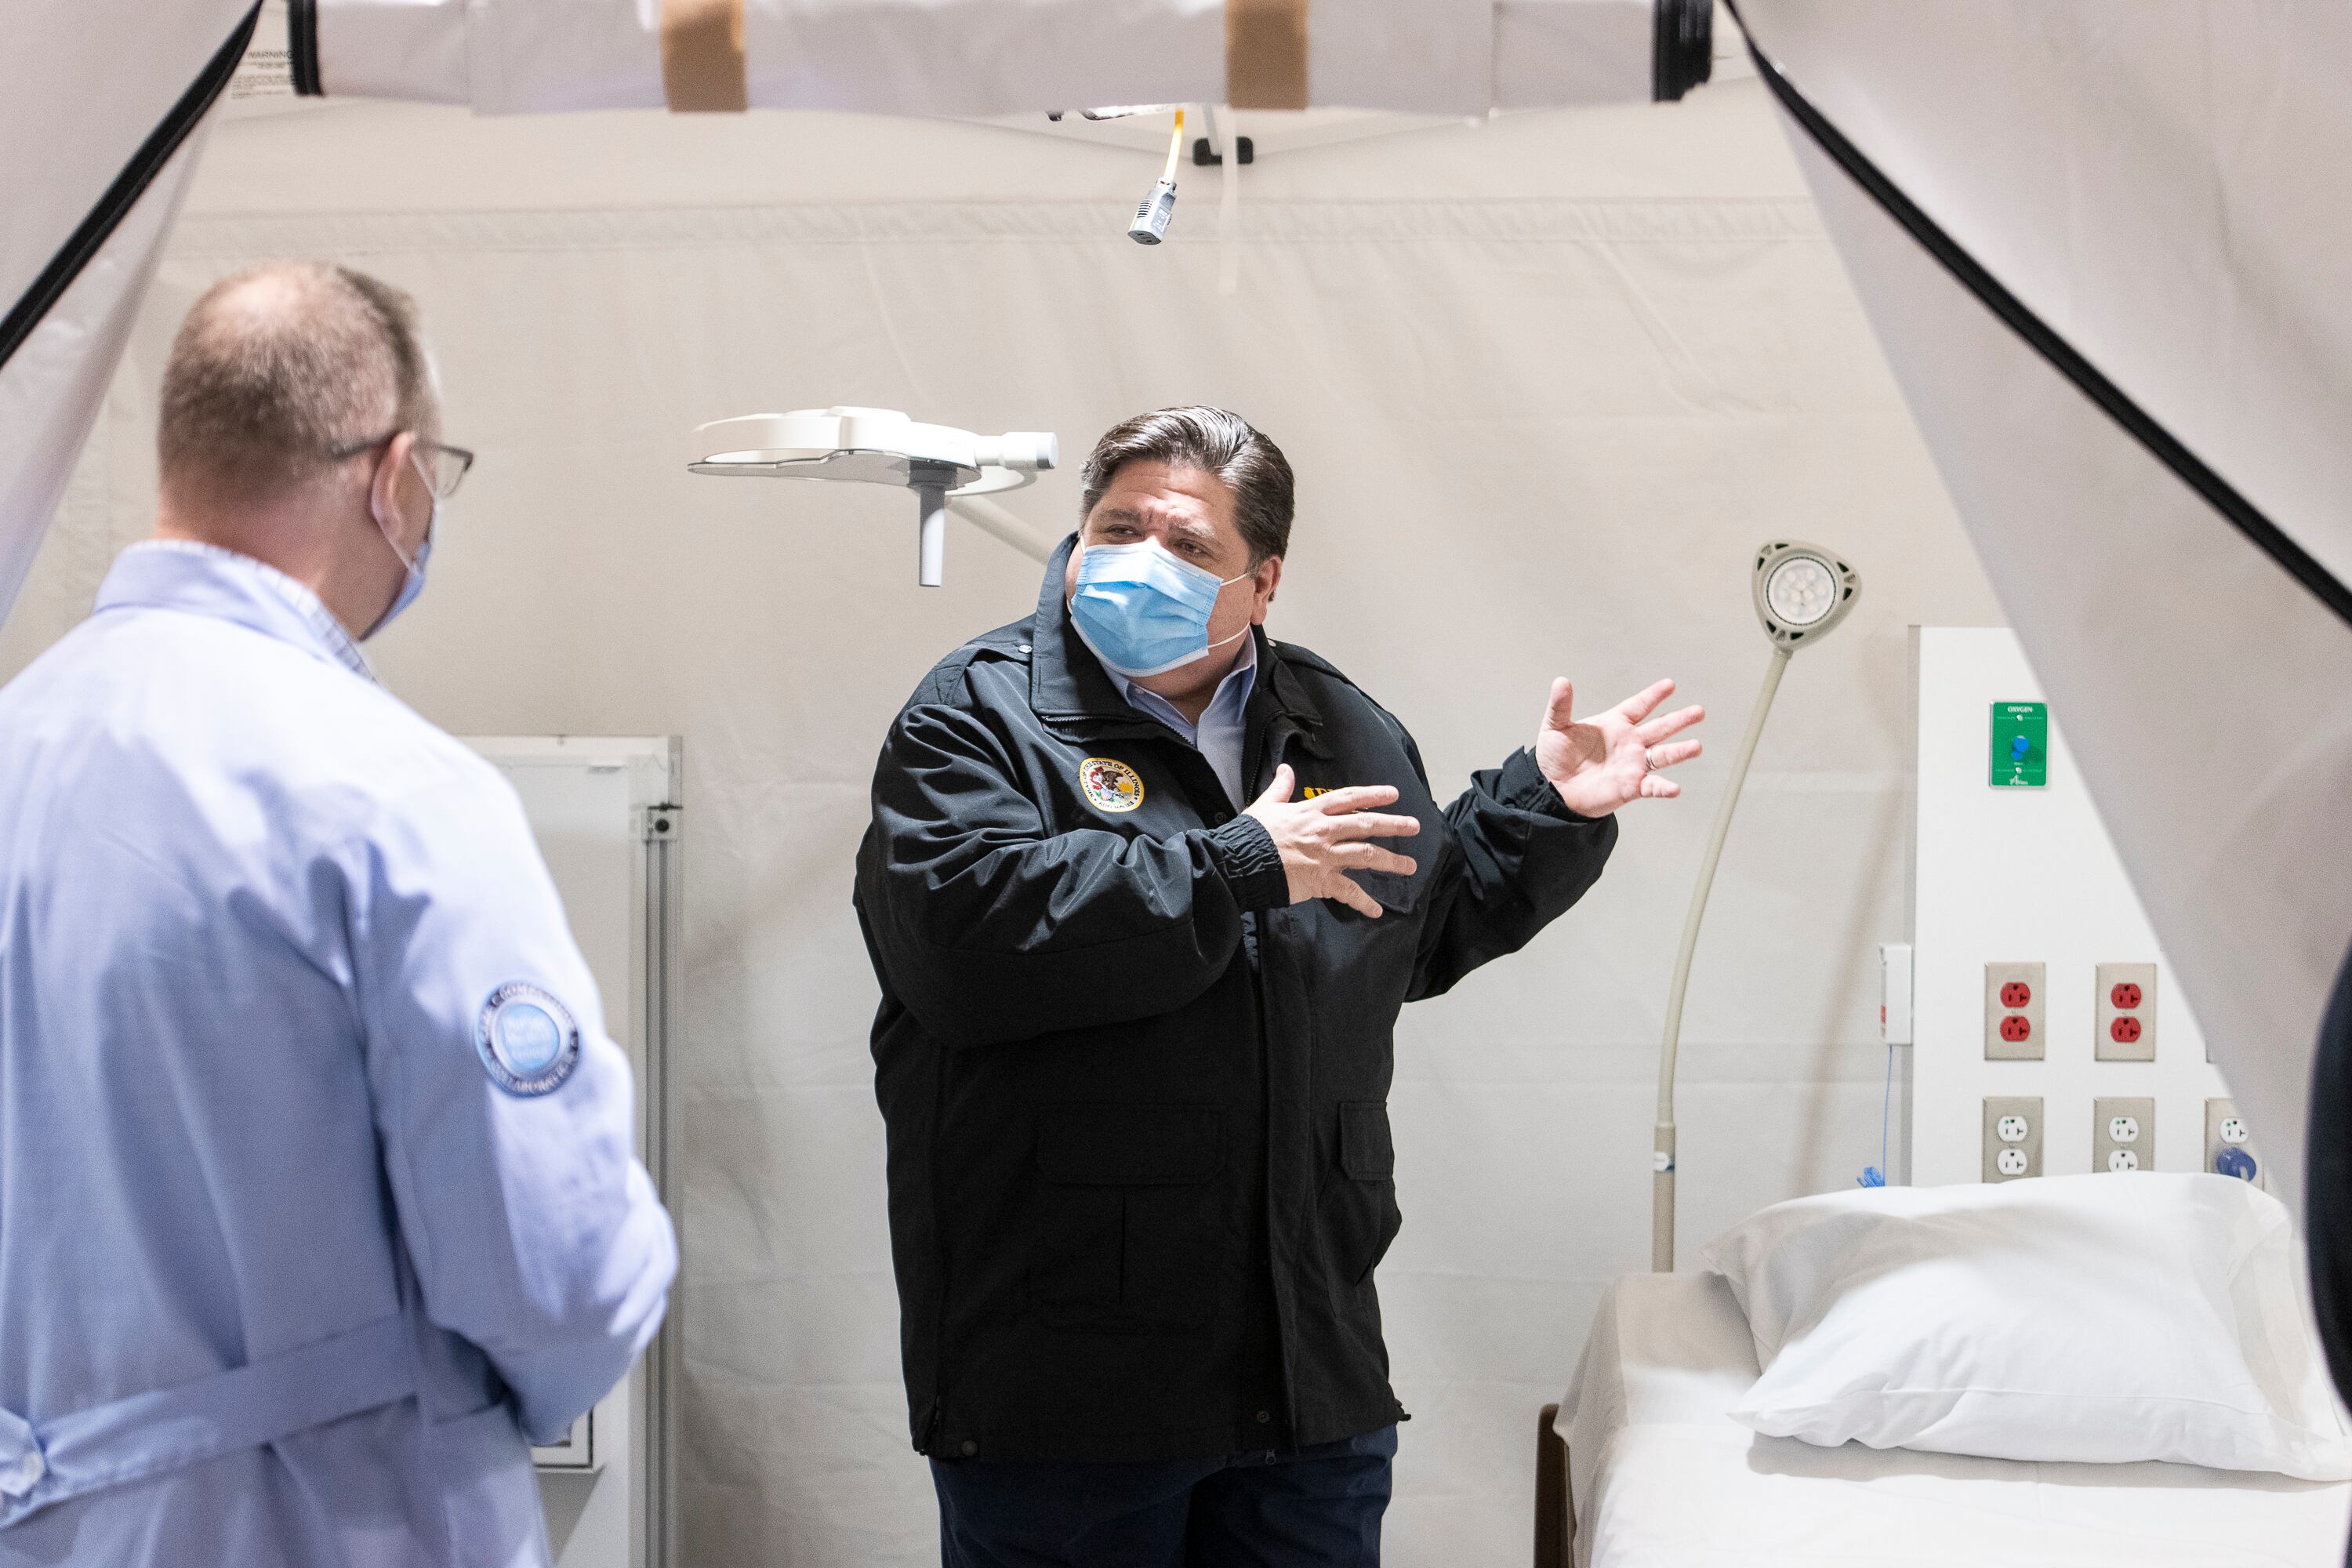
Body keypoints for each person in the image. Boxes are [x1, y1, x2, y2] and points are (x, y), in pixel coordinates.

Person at [855, 406, 1704, 1566]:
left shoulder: (1336, 722)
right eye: (1117, 529)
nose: (1138, 563)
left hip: (1303, 1365)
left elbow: (1411, 924)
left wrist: (1542, 809)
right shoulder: (979, 714)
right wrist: (1240, 866)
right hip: (1065, 1376)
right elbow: (960, 945)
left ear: (1264, 581)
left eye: (1187, 546)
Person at [0, 262, 676, 1566]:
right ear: (397, 476)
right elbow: (558, 1272)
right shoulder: (391, 795)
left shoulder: (16, 744)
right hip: (314, 1514)